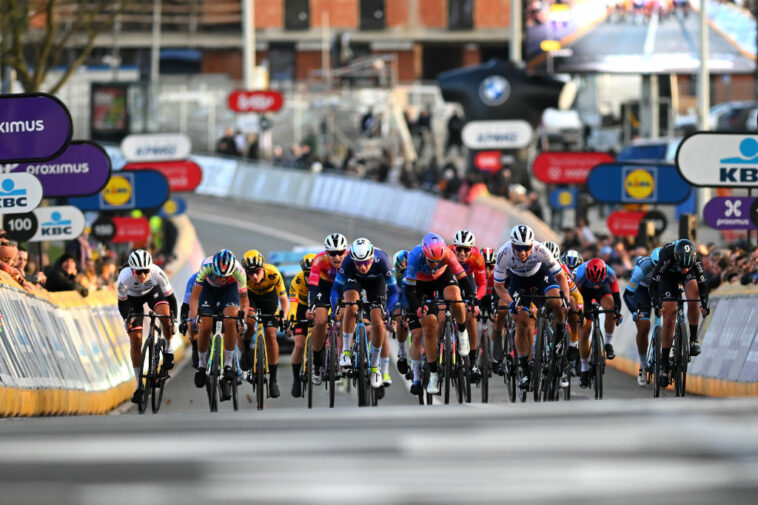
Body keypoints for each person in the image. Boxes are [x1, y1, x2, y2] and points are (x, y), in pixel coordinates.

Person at [493, 225, 571, 392]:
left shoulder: (540, 250)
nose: (522, 253)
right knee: (521, 323)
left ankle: (559, 330)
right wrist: (511, 302)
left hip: (539, 275)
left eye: (526, 248)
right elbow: (499, 286)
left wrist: (564, 296)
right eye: (518, 248)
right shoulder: (503, 254)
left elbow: (560, 276)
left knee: (556, 301)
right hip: (518, 280)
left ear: (532, 245)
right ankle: (525, 371)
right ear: (512, 245)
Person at [405, 233, 476, 394]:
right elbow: (409, 290)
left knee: (456, 298)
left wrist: (472, 298)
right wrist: (417, 306)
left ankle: (462, 333)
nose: (434, 264)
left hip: (443, 277)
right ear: (424, 253)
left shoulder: (448, 255)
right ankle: (434, 375)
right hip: (422, 284)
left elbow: (464, 280)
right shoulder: (415, 257)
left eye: (438, 261)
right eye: (431, 261)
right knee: (429, 327)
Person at [331, 238, 399, 391]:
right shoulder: (348, 261)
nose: (362, 267)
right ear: (353, 260)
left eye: (366, 263)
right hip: (354, 281)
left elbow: (394, 292)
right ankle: (346, 351)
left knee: (378, 323)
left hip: (376, 283)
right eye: (358, 263)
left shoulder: (382, 260)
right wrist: (335, 306)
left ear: (371, 257)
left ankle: (375, 368)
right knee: (351, 306)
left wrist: (387, 310)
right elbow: (336, 289)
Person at [116, 250, 177, 405]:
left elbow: (171, 298)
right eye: (138, 272)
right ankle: (139, 385)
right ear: (131, 270)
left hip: (153, 293)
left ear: (150, 268)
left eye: (145, 271)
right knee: (135, 341)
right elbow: (122, 303)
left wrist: (173, 320)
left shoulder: (157, 273)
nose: (143, 275)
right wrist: (126, 319)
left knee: (166, 317)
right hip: (132, 300)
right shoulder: (123, 277)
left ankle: (168, 349)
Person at [188, 249, 249, 399]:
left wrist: (242, 318)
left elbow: (244, 301)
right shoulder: (206, 267)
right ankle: (202, 366)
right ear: (213, 269)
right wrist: (196, 318)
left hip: (229, 291)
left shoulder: (239, 272)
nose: (221, 279)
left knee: (231, 320)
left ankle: (228, 364)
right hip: (208, 291)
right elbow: (194, 298)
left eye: (225, 276)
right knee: (205, 325)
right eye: (218, 275)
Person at [649, 239, 709, 388]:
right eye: (682, 266)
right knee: (669, 314)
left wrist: (704, 305)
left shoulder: (695, 261)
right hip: (667, 277)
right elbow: (653, 284)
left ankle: (694, 339)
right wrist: (657, 303)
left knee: (693, 297)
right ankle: (663, 364)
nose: (684, 269)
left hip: (689, 277)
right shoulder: (666, 256)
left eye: (687, 266)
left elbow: (703, 285)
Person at [240, 249, 289, 399]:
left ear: (263, 268)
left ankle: (273, 380)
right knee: (249, 323)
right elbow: (242, 301)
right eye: (250, 273)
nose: (254, 276)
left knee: (270, 334)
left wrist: (284, 318)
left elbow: (284, 300)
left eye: (257, 271)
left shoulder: (273, 273)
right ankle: (246, 350)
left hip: (269, 298)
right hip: (251, 297)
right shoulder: (242, 278)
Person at [307, 233, 349, 385]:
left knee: (348, 313)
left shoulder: (351, 258)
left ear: (345, 251)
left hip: (344, 286)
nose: (337, 257)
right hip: (324, 288)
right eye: (332, 253)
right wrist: (311, 304)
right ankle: (317, 363)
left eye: (340, 253)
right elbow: (312, 286)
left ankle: (346, 352)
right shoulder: (319, 260)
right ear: (326, 252)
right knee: (320, 321)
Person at [574, 258, 623, 388]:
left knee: (610, 308)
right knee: (585, 329)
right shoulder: (579, 274)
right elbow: (575, 296)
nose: (595, 283)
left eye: (598, 280)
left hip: (603, 290)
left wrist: (616, 313)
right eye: (593, 281)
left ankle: (608, 343)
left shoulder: (610, 273)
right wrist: (579, 314)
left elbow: (617, 298)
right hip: (584, 293)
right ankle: (584, 369)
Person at [449, 230, 487, 382]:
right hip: (450, 279)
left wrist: (476, 299)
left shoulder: (478, 258)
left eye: (466, 250)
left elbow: (483, 283)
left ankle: (473, 362)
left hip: (467, 282)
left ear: (472, 249)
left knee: (471, 316)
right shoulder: (448, 252)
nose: (462, 253)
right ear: (454, 248)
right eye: (459, 249)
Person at [623, 247, 660, 386]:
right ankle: (644, 366)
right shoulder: (641, 268)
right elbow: (627, 294)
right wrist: (634, 311)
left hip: (660, 287)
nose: (656, 269)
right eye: (654, 266)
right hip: (642, 289)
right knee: (643, 327)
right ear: (651, 263)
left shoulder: (670, 267)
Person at [288, 253, 315, 397]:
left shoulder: (324, 278)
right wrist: (291, 320)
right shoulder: (297, 280)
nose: (309, 277)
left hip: (319, 306)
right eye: (306, 274)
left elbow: (331, 300)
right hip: (301, 309)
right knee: (299, 345)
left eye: (312, 273)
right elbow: (293, 304)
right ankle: (296, 379)